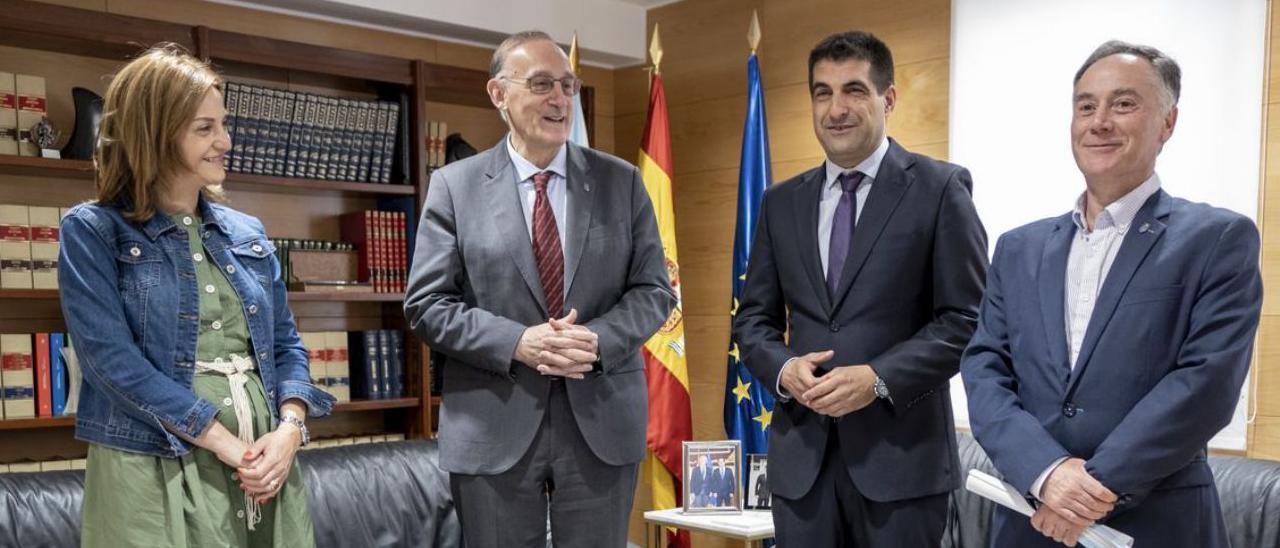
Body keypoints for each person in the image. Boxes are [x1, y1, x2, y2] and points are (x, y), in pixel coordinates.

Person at [961, 40, 1262, 548]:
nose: (1099, 121)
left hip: (1156, 525)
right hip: (1029, 522)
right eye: (1085, 106)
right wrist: (1047, 472)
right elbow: (985, 368)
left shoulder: (1218, 239)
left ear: (1167, 123)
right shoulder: (1018, 248)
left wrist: (1093, 488)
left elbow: (1206, 383)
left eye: (1123, 104)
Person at [403, 30, 676, 547]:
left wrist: (596, 341)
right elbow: (427, 304)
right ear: (498, 94)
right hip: (492, 426)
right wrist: (517, 342)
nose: (560, 99)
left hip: (600, 424)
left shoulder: (622, 182)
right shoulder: (454, 187)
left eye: (568, 86)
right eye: (542, 84)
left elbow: (654, 291)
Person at [59, 44, 334, 547]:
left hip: (262, 467)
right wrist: (226, 444)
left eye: (223, 125)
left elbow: (287, 346)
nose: (225, 141)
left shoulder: (247, 231)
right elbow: (110, 362)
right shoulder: (93, 230)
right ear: (155, 134)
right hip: (150, 463)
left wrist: (289, 432)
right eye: (204, 129)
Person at [732, 30, 988, 546]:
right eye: (822, 92)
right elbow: (753, 319)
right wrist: (784, 368)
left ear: (887, 99)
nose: (836, 108)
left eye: (853, 90)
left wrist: (876, 378)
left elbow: (968, 320)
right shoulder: (781, 203)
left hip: (901, 470)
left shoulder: (940, 189)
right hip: (802, 469)